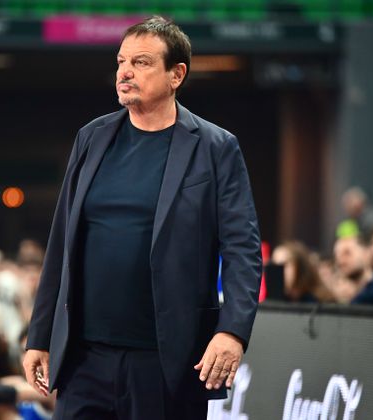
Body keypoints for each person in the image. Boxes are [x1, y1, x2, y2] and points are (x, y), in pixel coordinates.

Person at [22, 16, 262, 420]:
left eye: (142, 62)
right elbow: (62, 241)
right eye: (121, 61)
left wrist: (231, 331)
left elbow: (242, 249)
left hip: (166, 361)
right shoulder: (92, 137)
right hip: (84, 359)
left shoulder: (216, 147)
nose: (125, 72)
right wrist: (40, 335)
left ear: (176, 74)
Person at [271, 241, 335, 303]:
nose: (278, 271)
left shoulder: (321, 302)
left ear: (300, 267)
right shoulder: (273, 301)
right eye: (275, 265)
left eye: (285, 265)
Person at [332, 234, 373, 303]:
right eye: (337, 255)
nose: (340, 261)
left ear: (366, 253)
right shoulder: (334, 297)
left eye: (347, 253)